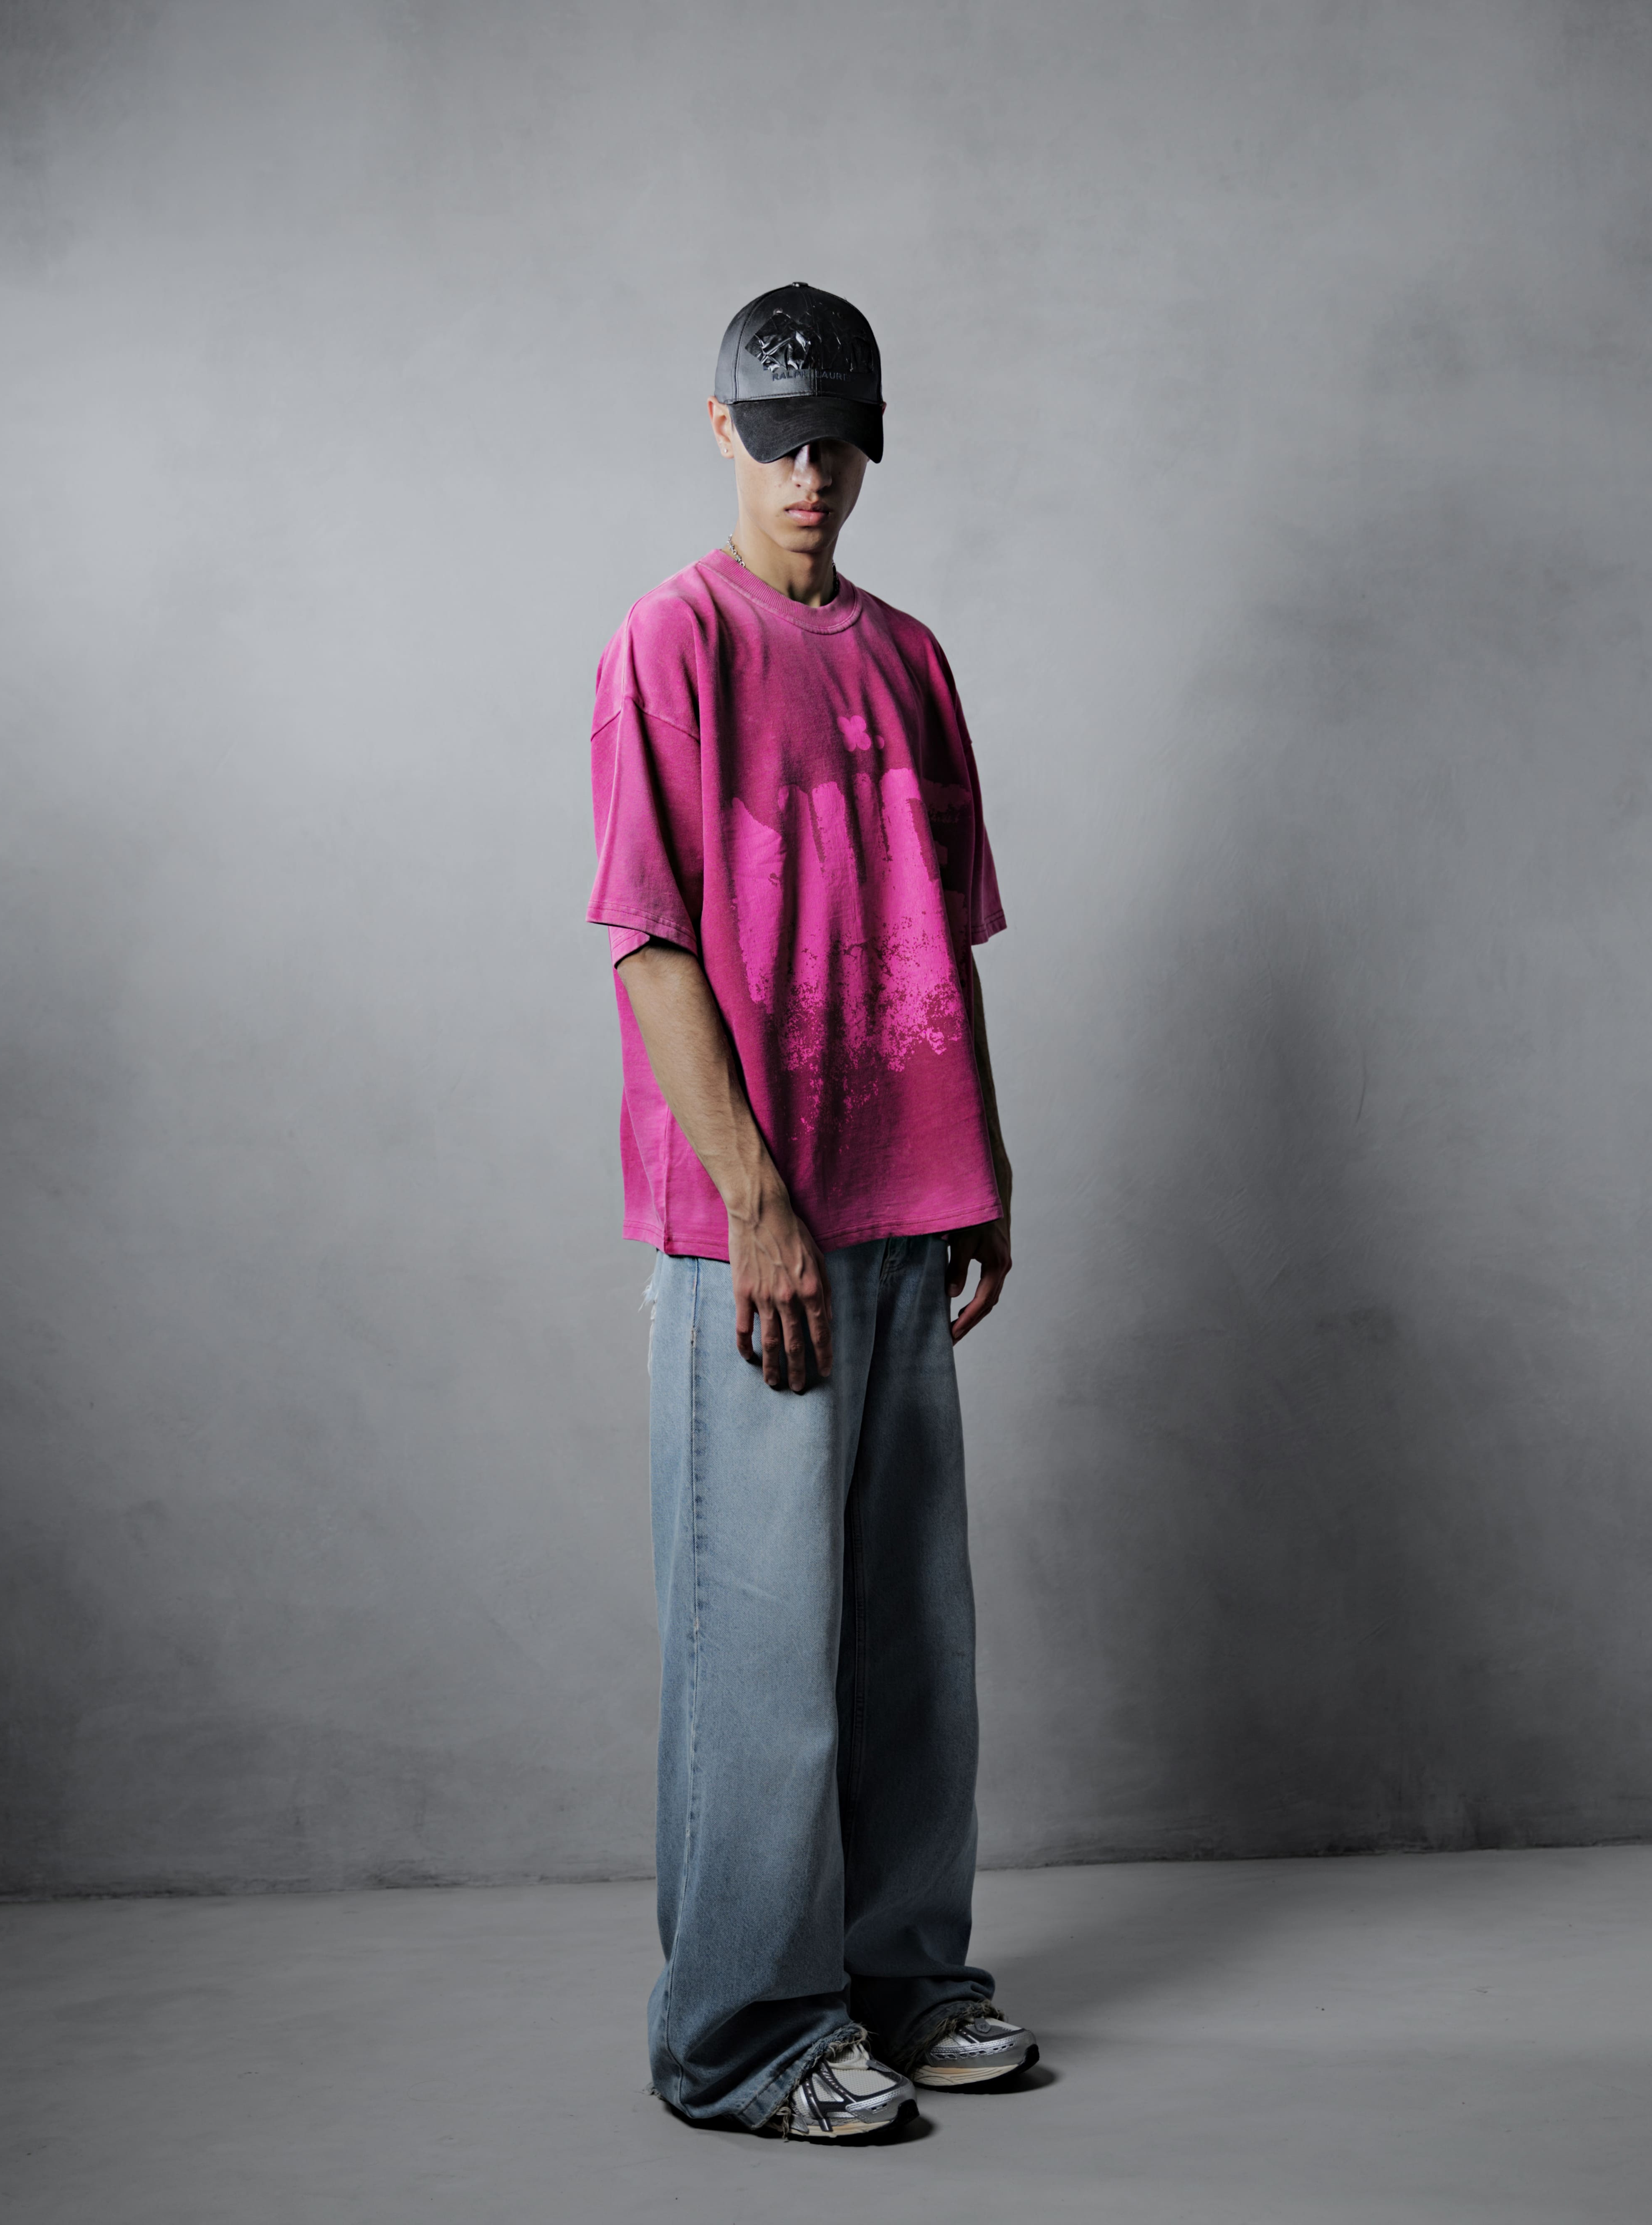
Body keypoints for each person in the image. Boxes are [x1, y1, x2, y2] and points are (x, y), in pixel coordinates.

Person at [587, 281, 1035, 2141]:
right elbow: (648, 944)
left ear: (871, 441)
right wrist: (756, 1204)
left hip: (907, 1194)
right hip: (753, 1230)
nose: (807, 476)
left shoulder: (909, 657)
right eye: (775, 441)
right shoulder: (670, 643)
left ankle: (902, 1981)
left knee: (909, 1637)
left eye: (835, 441)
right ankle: (743, 2036)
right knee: (760, 1649)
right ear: (721, 432)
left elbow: (949, 929)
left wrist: (979, 1165)